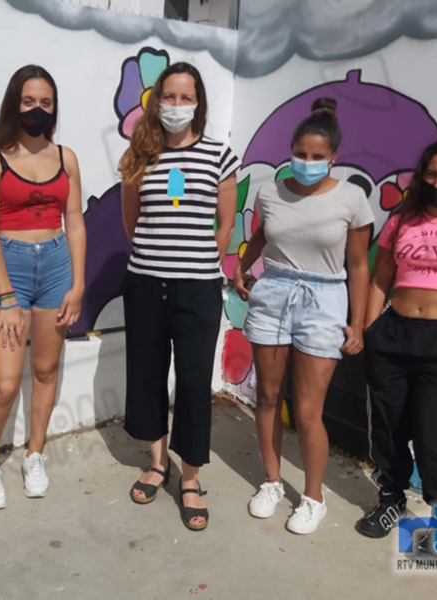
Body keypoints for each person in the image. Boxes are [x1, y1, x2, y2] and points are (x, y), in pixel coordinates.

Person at [234, 98, 373, 534]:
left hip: (325, 300)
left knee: (310, 411)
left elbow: (358, 265)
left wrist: (359, 322)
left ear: (334, 156)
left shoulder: (352, 198)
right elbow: (261, 235)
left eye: (317, 157)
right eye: (300, 153)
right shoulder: (271, 191)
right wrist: (242, 265)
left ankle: (314, 497)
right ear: (290, 150)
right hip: (272, 292)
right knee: (270, 398)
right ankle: (272, 481)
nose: (307, 163)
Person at [119, 62, 239, 532]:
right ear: (155, 102)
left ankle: (190, 477)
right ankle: (157, 462)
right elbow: (132, 222)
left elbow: (225, 224)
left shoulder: (218, 155)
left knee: (192, 384)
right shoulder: (140, 155)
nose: (175, 106)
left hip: (198, 288)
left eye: (185, 97)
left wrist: (201, 262)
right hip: (146, 284)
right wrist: (157, 257)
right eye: (167, 97)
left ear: (198, 104)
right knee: (147, 375)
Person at [357, 138, 437, 557]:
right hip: (393, 336)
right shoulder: (404, 218)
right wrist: (372, 329)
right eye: (432, 174)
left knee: (434, 439)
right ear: (422, 175)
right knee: (389, 432)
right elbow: (381, 278)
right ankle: (390, 500)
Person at [0, 65, 86, 509]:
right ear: (13, 104)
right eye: (28, 101)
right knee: (5, 382)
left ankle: (34, 454)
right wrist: (5, 297)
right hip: (10, 268)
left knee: (44, 371)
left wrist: (78, 283)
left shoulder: (67, 157)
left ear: (53, 107)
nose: (37, 110)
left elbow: (74, 220)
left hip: (57, 264)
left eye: (45, 102)